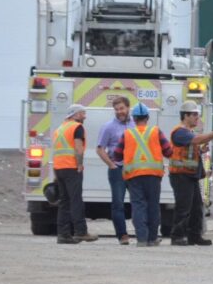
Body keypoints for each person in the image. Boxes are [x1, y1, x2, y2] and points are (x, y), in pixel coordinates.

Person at [169, 101, 213, 246]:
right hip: (181, 175)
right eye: (194, 115)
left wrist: (200, 151)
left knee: (196, 207)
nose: (197, 117)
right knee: (184, 207)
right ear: (186, 116)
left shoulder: (187, 132)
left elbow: (192, 146)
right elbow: (196, 140)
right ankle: (177, 236)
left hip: (190, 175)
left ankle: (194, 236)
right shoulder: (180, 132)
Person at [113, 103, 173, 247]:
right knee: (153, 206)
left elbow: (117, 155)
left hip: (133, 176)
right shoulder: (156, 132)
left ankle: (141, 238)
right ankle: (152, 239)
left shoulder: (127, 134)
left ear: (133, 118)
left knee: (138, 206)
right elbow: (169, 152)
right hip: (153, 175)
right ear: (147, 118)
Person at [53, 104, 98, 244]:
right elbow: (78, 148)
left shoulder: (60, 128)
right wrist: (79, 164)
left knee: (64, 202)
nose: (84, 116)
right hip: (71, 167)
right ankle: (81, 232)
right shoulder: (77, 127)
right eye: (83, 113)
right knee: (76, 200)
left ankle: (63, 234)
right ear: (76, 114)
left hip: (59, 168)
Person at [96, 96, 134, 245]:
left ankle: (144, 234)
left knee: (138, 202)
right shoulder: (108, 127)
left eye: (122, 108)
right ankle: (122, 235)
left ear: (128, 108)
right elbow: (100, 149)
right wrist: (111, 165)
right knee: (118, 203)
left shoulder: (135, 124)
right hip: (117, 169)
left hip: (134, 169)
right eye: (117, 109)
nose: (120, 112)